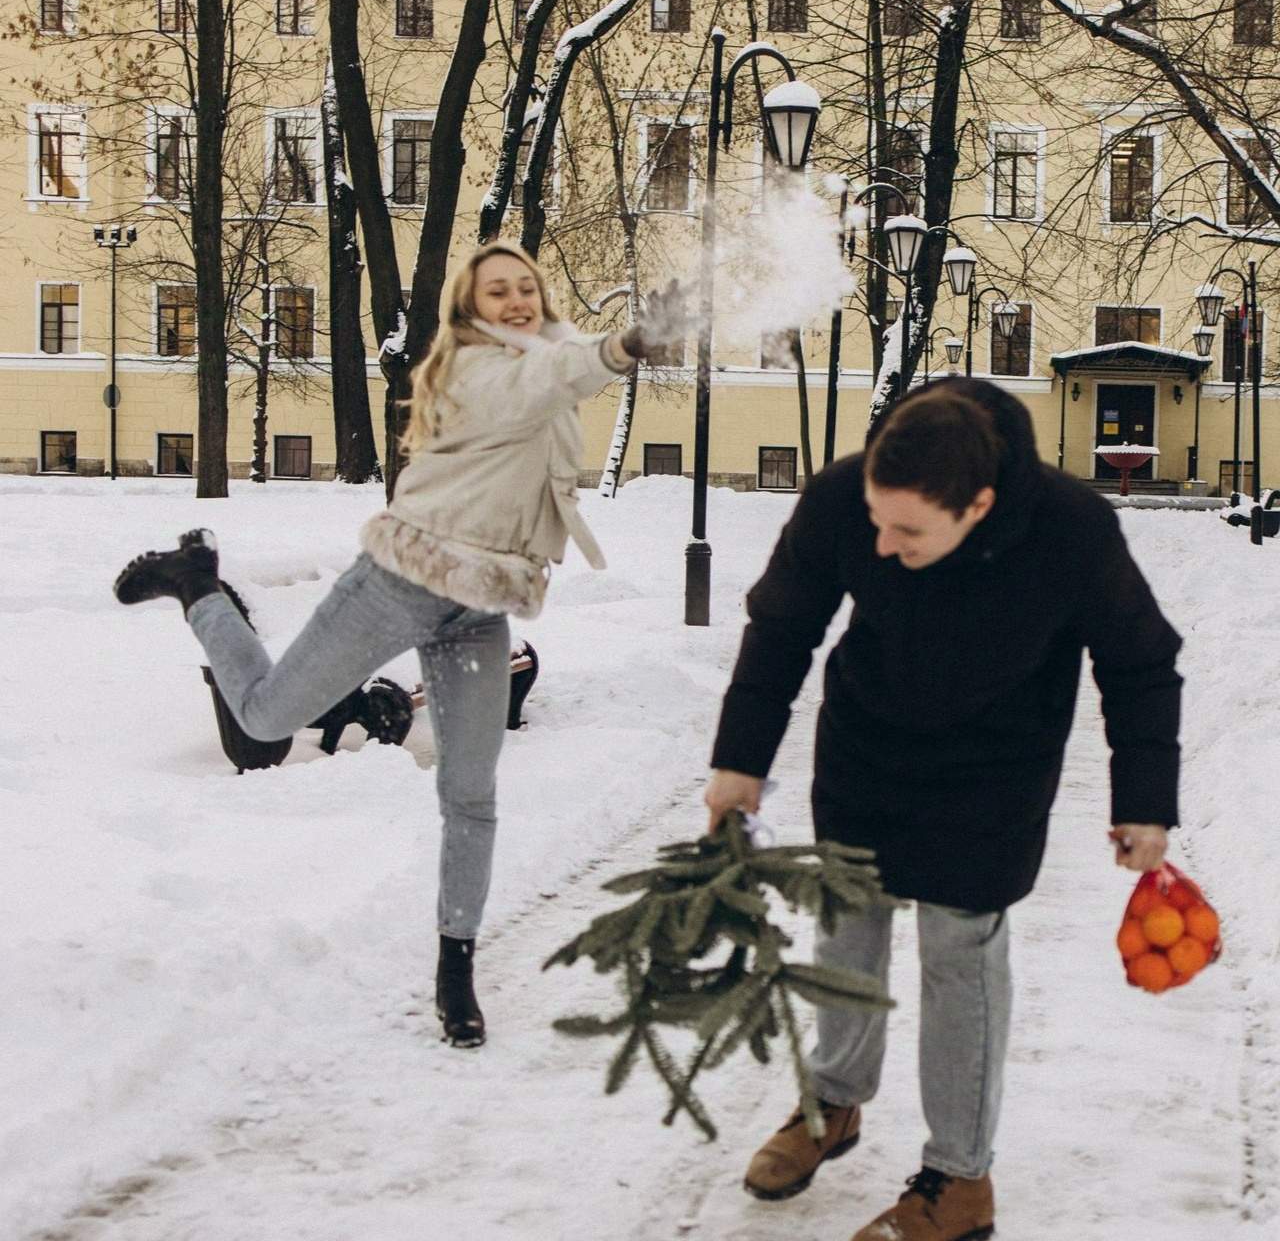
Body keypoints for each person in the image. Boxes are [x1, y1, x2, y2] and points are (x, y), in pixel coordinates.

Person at [114, 241, 685, 1049]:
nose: (518, 300)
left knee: (471, 792)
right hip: (399, 582)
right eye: (499, 291)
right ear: (470, 309)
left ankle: (456, 970)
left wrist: (631, 343)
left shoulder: (552, 366)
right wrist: (622, 346)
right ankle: (200, 586)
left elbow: (558, 386)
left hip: (477, 610)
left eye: (527, 287)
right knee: (266, 717)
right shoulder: (475, 373)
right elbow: (547, 380)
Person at [704, 378, 1181, 1241]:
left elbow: (1141, 662)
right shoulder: (848, 497)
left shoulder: (1071, 528)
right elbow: (781, 626)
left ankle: (960, 1181)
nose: (881, 545)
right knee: (846, 926)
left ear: (980, 506)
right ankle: (834, 1104)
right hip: (866, 749)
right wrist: (739, 761)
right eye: (876, 522)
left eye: (909, 531)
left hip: (996, 768)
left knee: (960, 956)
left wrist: (1145, 803)